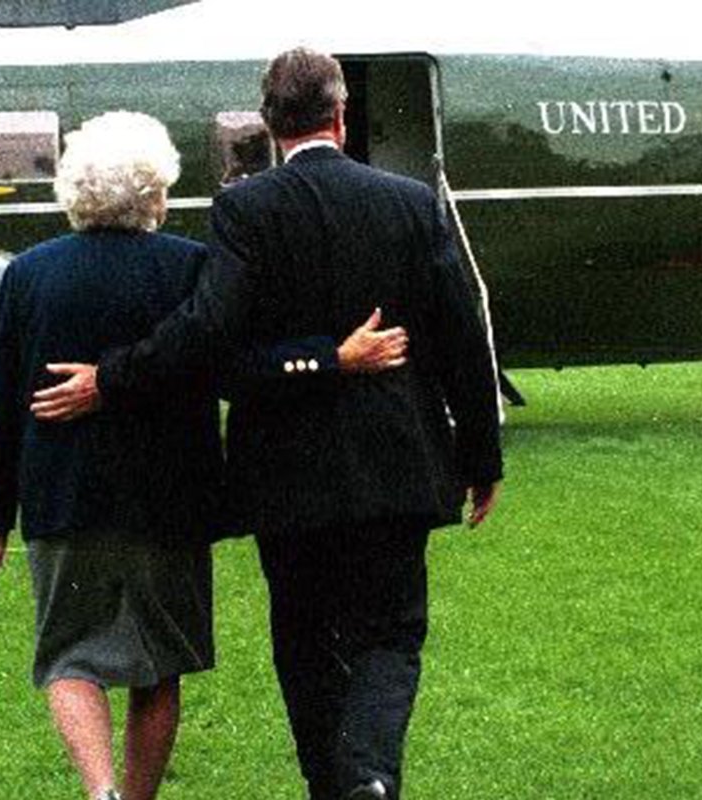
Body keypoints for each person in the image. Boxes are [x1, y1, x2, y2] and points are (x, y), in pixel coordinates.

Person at [30, 49, 505, 800]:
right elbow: (461, 337)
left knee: (304, 644)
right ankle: (370, 777)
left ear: (270, 123)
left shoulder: (245, 211)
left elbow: (210, 343)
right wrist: (483, 457)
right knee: (390, 636)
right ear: (341, 116)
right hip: (396, 466)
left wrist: (110, 379)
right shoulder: (413, 203)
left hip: (286, 476)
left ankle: (337, 786)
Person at [0, 111, 406, 800]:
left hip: (62, 498)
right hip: (168, 501)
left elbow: (4, 405)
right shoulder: (189, 266)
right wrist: (333, 357)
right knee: (157, 665)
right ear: (154, 190)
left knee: (68, 659)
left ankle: (99, 792)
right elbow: (223, 362)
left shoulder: (27, 275)